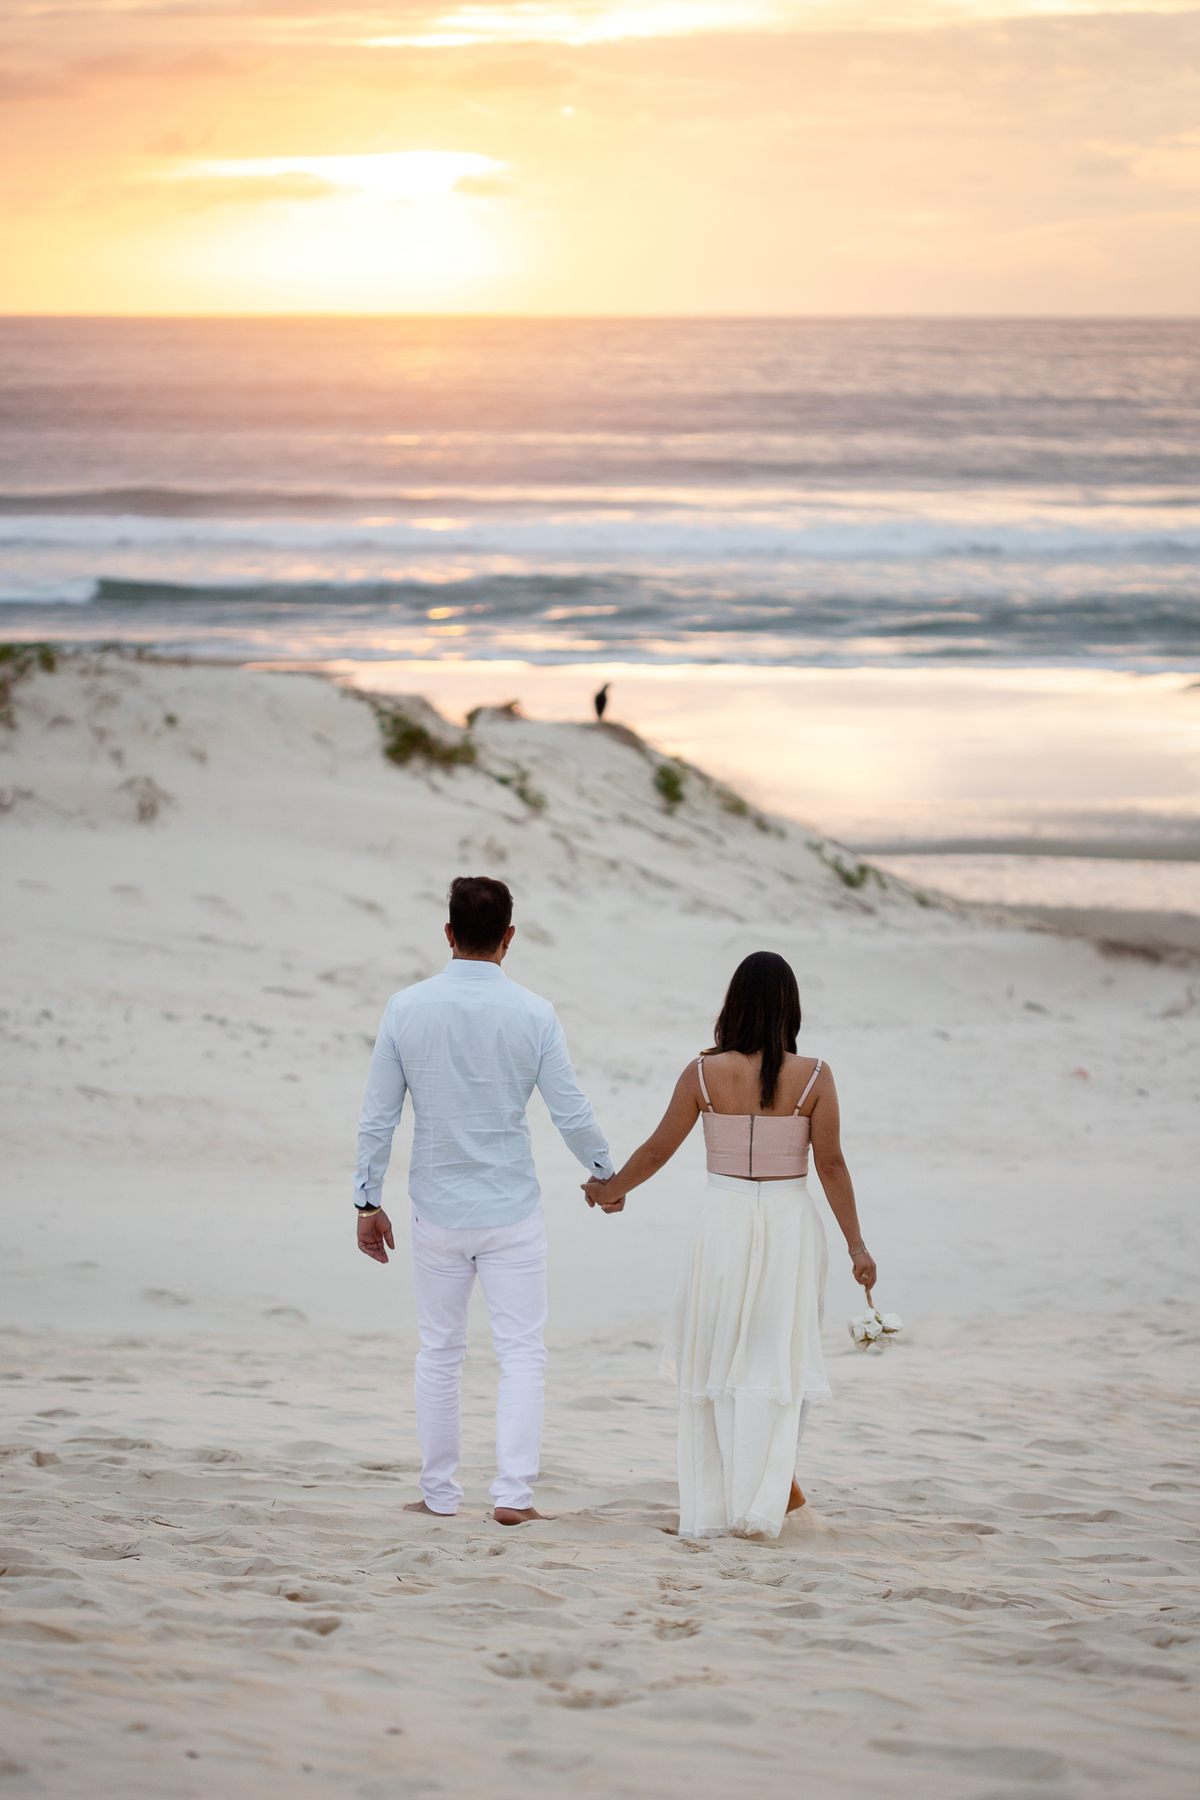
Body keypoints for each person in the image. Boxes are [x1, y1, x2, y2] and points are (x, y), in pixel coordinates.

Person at [583, 951, 876, 1540]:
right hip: (790, 1227)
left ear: (733, 1004)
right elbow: (832, 1165)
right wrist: (857, 1247)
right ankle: (770, 1491)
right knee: (777, 1358)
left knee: (717, 1358)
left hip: (722, 1223)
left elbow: (658, 1149)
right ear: (790, 1007)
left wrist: (610, 1189)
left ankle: (722, 1503)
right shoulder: (815, 1076)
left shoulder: (702, 1074)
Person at [354, 876, 614, 1525]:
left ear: (448, 934)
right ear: (509, 937)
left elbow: (378, 1118)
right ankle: (512, 1496)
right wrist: (605, 1173)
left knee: (440, 1353)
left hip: (435, 1207)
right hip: (511, 1210)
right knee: (521, 1353)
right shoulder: (535, 1013)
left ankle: (439, 1495)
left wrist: (367, 1202)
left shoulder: (405, 1008)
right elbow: (570, 1111)